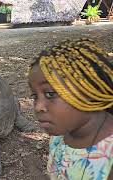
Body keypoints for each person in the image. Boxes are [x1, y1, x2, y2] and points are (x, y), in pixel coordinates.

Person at [28, 38, 113, 180]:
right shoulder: (59, 137)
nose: (38, 107)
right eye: (34, 95)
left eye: (50, 94)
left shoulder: (108, 156)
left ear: (88, 90)